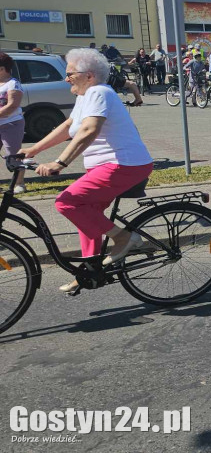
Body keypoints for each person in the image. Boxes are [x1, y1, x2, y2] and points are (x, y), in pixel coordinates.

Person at [22, 48, 153, 293]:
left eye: (70, 74)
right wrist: (32, 150)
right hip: (109, 166)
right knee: (87, 214)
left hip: (124, 164)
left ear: (89, 75)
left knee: (67, 202)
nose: (66, 79)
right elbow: (68, 126)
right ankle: (89, 271)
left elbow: (89, 130)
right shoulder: (85, 96)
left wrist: (60, 163)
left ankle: (123, 237)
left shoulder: (99, 92)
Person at [0, 52, 27, 193]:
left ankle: (19, 184)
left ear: (2, 69)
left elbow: (12, 106)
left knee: (14, 155)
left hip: (11, 124)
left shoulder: (13, 84)